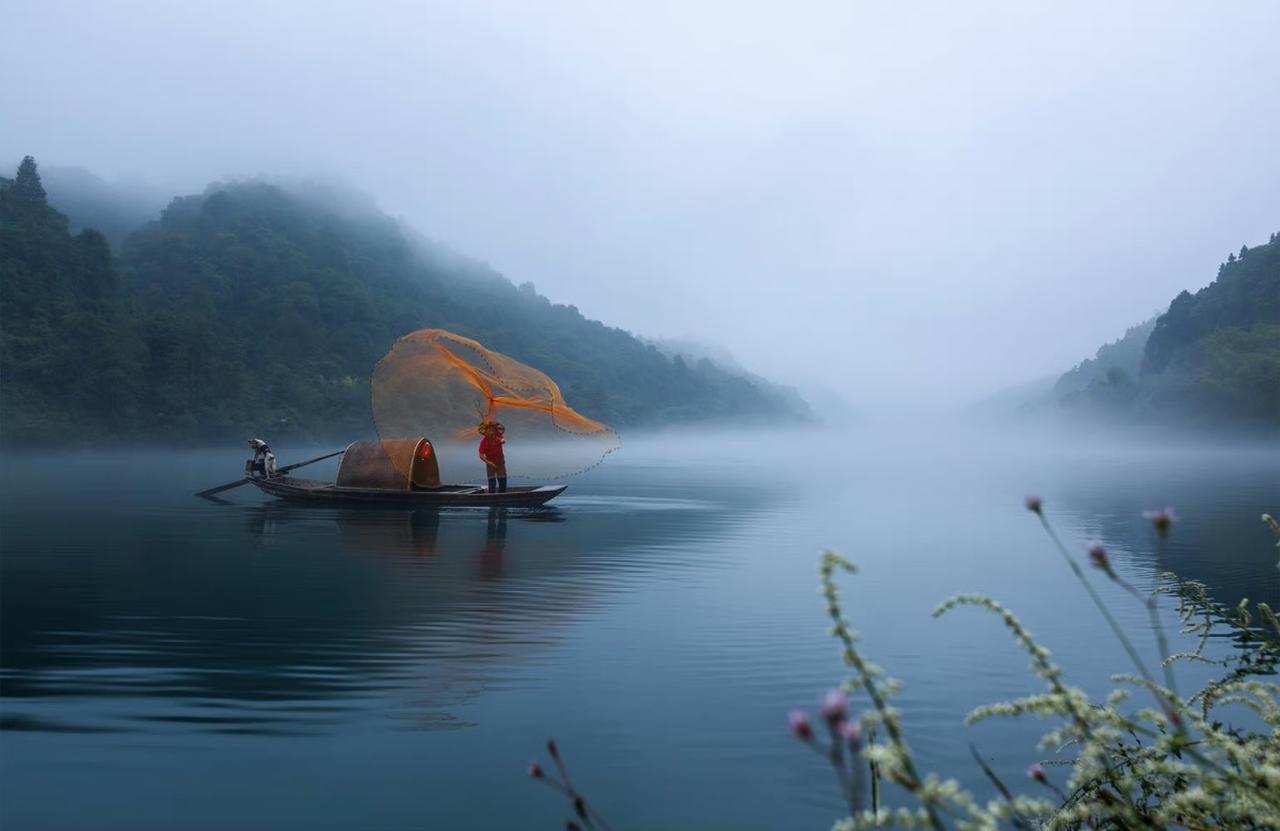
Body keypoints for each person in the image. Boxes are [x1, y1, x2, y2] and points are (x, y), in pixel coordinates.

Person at [478, 422, 507, 493]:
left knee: (502, 479)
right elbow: (481, 455)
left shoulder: (498, 436)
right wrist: (488, 462)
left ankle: (502, 494)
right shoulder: (484, 442)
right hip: (490, 461)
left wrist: (499, 440)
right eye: (489, 430)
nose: (491, 432)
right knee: (491, 480)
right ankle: (491, 494)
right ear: (486, 431)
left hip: (500, 461)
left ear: (495, 431)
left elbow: (503, 441)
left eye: (493, 430)